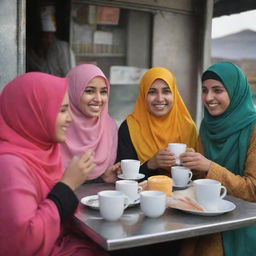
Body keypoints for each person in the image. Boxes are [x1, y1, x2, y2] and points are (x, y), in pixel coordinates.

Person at [0, 72, 109, 256]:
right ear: (32, 112)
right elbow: (23, 242)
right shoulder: (10, 164)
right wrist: (67, 185)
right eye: (62, 110)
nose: (70, 119)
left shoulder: (45, 151)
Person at [179, 61, 256, 256]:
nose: (208, 97)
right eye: (204, 90)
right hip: (208, 214)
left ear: (235, 91)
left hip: (243, 220)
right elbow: (202, 179)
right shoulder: (208, 125)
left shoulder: (253, 128)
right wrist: (188, 165)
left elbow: (253, 190)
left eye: (218, 90)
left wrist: (209, 167)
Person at [116, 66, 198, 178]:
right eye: (152, 92)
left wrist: (192, 162)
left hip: (182, 193)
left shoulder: (188, 127)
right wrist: (151, 164)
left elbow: (198, 176)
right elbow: (123, 176)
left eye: (166, 91)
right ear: (143, 95)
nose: (160, 98)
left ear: (174, 93)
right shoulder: (130, 128)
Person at [61, 64, 120, 183]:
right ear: (72, 91)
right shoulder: (58, 125)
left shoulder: (109, 127)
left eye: (103, 92)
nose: (98, 99)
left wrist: (105, 176)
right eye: (89, 91)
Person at [26, 3, 75, 77]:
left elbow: (70, 76)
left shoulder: (62, 48)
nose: (48, 40)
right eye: (44, 36)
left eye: (50, 36)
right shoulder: (30, 53)